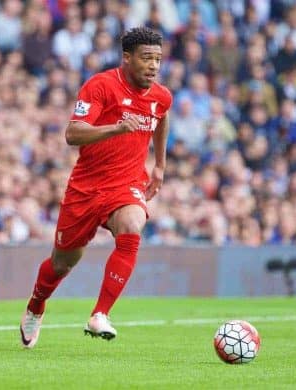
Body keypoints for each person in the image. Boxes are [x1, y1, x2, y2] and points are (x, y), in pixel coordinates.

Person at [19, 27, 172, 348]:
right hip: (86, 189)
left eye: (158, 59)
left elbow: (162, 116)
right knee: (61, 264)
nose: (154, 66)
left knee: (133, 224)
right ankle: (36, 304)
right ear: (127, 58)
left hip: (127, 184)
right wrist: (115, 128)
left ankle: (100, 314)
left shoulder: (161, 96)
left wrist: (159, 164)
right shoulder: (101, 86)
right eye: (147, 58)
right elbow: (73, 133)